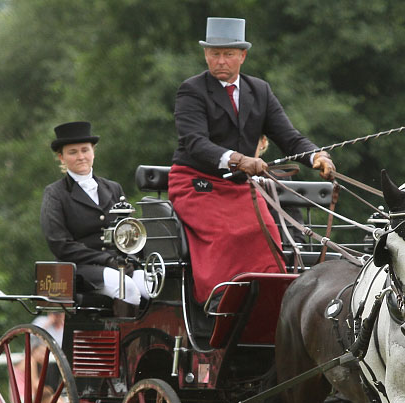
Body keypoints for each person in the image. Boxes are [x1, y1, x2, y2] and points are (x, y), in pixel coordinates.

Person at [168, 17, 336, 305]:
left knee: (268, 232)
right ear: (206, 54)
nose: (221, 60)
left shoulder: (260, 91)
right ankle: (220, 301)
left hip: (239, 187)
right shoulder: (191, 91)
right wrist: (237, 159)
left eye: (229, 54)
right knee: (230, 233)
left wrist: (316, 156)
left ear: (242, 56)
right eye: (215, 53)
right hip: (196, 183)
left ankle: (269, 304)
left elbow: (289, 138)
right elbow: (195, 143)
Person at [40, 121, 150, 305]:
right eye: (73, 152)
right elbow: (60, 244)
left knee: (153, 286)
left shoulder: (113, 188)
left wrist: (131, 259)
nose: (81, 156)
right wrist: (106, 259)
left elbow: (129, 232)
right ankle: (125, 334)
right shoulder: (55, 194)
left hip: (119, 265)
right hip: (81, 269)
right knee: (127, 288)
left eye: (85, 150)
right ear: (61, 157)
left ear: (93, 152)